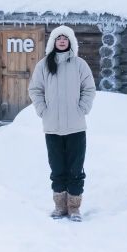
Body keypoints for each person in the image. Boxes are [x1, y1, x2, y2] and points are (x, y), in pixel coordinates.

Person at [28, 25, 96, 222]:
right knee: (57, 168)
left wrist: (82, 108)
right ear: (53, 42)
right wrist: (42, 110)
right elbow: (35, 90)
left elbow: (89, 88)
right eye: (59, 38)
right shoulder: (44, 65)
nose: (62, 41)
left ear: (71, 42)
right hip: (52, 127)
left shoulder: (79, 64)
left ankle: (74, 207)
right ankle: (59, 206)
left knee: (76, 169)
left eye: (65, 38)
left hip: (76, 126)